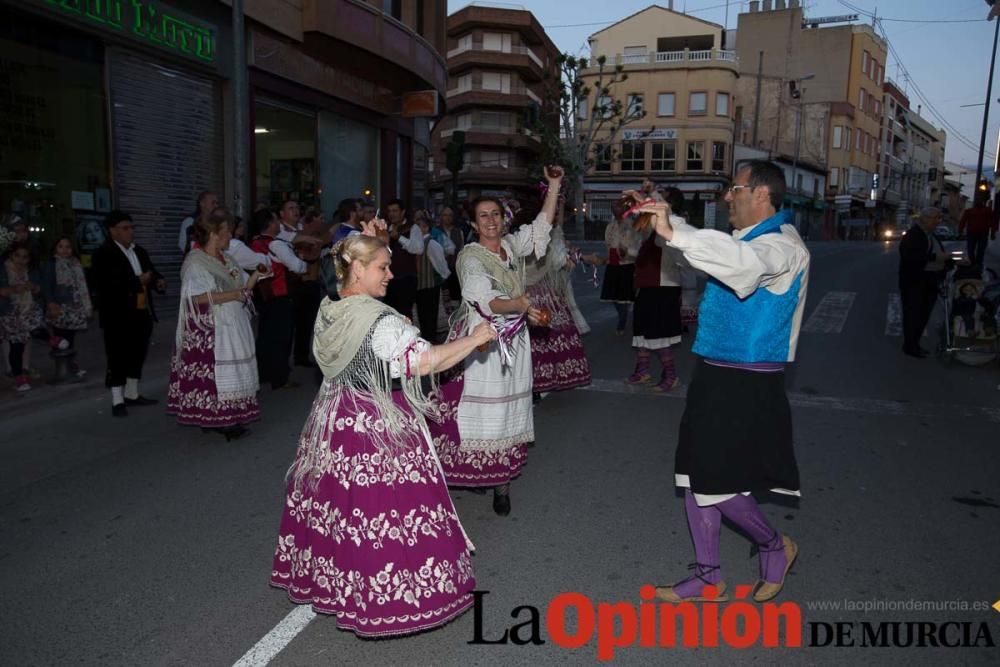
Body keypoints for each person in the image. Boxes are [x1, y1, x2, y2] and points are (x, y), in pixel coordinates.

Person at [270, 232, 496, 637]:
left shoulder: (332, 305)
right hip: (377, 422)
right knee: (387, 513)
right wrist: (476, 338)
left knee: (344, 511)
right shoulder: (380, 321)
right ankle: (389, 598)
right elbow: (425, 361)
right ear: (357, 268)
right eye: (381, 267)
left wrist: (374, 240)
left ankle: (342, 587)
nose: (390, 274)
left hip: (335, 417)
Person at [644, 160, 809, 604]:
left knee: (717, 482)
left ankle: (775, 545)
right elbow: (718, 252)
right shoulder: (748, 239)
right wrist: (668, 218)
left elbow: (744, 266)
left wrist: (675, 231)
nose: (726, 198)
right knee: (695, 474)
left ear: (761, 193)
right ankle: (708, 576)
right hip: (714, 372)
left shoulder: (783, 248)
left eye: (733, 189)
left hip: (749, 382)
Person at [430, 166, 564, 515]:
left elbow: (540, 228)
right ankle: (461, 476)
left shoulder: (509, 244)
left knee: (507, 409)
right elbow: (483, 298)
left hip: (514, 339)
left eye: (496, 215)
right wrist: (518, 304)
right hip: (482, 341)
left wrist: (553, 185)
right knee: (475, 409)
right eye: (483, 217)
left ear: (504, 220)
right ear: (473, 225)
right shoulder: (470, 257)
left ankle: (501, 484)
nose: (491, 221)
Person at [167, 208, 268, 440]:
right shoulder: (196, 263)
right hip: (213, 328)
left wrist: (256, 277)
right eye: (226, 233)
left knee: (231, 372)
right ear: (214, 233)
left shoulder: (227, 259)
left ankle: (228, 417)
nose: (230, 237)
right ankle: (219, 420)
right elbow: (196, 297)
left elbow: (241, 289)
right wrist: (233, 295)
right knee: (216, 375)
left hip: (234, 322)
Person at [92, 211, 165, 416]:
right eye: (125, 228)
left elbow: (151, 271)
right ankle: (117, 400)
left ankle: (132, 394)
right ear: (112, 231)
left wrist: (158, 280)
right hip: (117, 314)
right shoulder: (103, 254)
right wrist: (137, 282)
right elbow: (105, 285)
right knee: (117, 356)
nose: (130, 231)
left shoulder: (139, 251)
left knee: (137, 353)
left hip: (141, 311)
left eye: (132, 227)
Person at [524, 199, 592, 393]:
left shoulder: (538, 233)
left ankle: (539, 384)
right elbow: (557, 261)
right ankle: (542, 382)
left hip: (533, 293)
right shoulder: (543, 236)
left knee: (544, 338)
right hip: (539, 294)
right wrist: (577, 257)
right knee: (545, 337)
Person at [625, 187, 688, 392]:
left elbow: (663, 240)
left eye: (660, 198)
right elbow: (638, 247)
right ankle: (643, 370)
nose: (654, 200)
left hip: (663, 287)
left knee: (658, 334)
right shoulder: (653, 226)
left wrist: (646, 199)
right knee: (643, 332)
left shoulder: (674, 226)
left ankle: (671, 375)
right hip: (648, 286)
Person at [250, 208, 307, 389]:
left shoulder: (254, 243)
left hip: (263, 295)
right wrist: (302, 260)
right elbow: (298, 267)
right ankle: (280, 377)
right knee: (282, 338)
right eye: (275, 221)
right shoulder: (277, 244)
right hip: (280, 295)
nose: (278, 224)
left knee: (266, 337)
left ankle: (263, 373)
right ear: (270, 224)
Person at [899, 206, 948, 358]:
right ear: (924, 219)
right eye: (935, 218)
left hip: (928, 280)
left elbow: (936, 253)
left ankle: (915, 343)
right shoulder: (914, 235)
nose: (937, 222)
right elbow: (912, 258)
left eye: (939, 218)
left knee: (923, 314)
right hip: (915, 282)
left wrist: (950, 261)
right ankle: (910, 346)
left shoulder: (930, 234)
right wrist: (937, 258)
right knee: (914, 314)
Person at [42, 236, 93, 379]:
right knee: (60, 338)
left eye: (68, 246)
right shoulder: (51, 264)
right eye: (61, 246)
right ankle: (65, 367)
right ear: (55, 248)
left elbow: (82, 285)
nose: (64, 250)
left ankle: (69, 365)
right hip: (59, 307)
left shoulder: (76, 263)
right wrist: (50, 302)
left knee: (70, 337)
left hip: (74, 307)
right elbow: (47, 285)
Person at [0, 241, 43, 392]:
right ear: (11, 255)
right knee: (16, 346)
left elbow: (38, 290)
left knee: (35, 331)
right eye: (17, 256)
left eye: (25, 257)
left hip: (27, 311)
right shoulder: (3, 269)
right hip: (9, 312)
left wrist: (33, 287)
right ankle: (18, 376)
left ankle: (52, 340)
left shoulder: (30, 270)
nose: (21, 260)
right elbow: (2, 291)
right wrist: (14, 289)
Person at [383, 199, 425, 318]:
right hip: (388, 279)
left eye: (395, 211)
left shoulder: (413, 228)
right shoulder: (385, 229)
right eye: (390, 211)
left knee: (404, 313)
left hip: (406, 278)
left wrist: (399, 238)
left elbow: (418, 249)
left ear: (402, 212)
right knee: (389, 313)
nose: (392, 214)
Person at [414, 213, 451, 343]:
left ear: (425, 228)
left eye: (419, 227)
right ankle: (426, 338)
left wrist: (443, 277)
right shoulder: (417, 244)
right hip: (420, 285)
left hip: (430, 285)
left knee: (430, 315)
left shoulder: (431, 243)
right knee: (423, 316)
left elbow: (440, 263)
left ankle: (431, 340)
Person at [958, 194, 997, 271]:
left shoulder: (987, 211)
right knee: (972, 249)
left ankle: (977, 264)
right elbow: (962, 222)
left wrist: (993, 233)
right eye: (978, 200)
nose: (979, 201)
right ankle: (974, 263)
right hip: (973, 233)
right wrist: (960, 231)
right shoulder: (969, 211)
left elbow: (993, 222)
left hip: (981, 233)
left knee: (979, 250)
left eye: (980, 200)